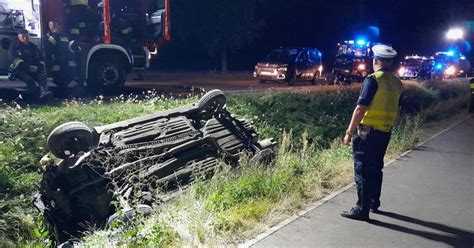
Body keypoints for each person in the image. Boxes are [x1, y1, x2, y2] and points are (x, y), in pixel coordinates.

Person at [340, 44, 403, 221]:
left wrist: (349, 132)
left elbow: (360, 108)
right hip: (385, 132)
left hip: (367, 133)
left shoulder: (373, 79)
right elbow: (397, 108)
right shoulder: (397, 82)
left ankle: (362, 209)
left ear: (375, 60)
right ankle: (374, 202)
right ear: (390, 62)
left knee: (362, 170)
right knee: (376, 168)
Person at [8, 29, 52, 99]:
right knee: (29, 80)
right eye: (23, 36)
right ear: (18, 36)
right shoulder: (15, 47)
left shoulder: (33, 47)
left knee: (41, 77)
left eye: (26, 36)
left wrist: (37, 67)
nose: (25, 38)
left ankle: (44, 92)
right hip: (19, 70)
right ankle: (36, 97)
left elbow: (40, 58)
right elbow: (15, 61)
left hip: (33, 69)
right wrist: (28, 67)